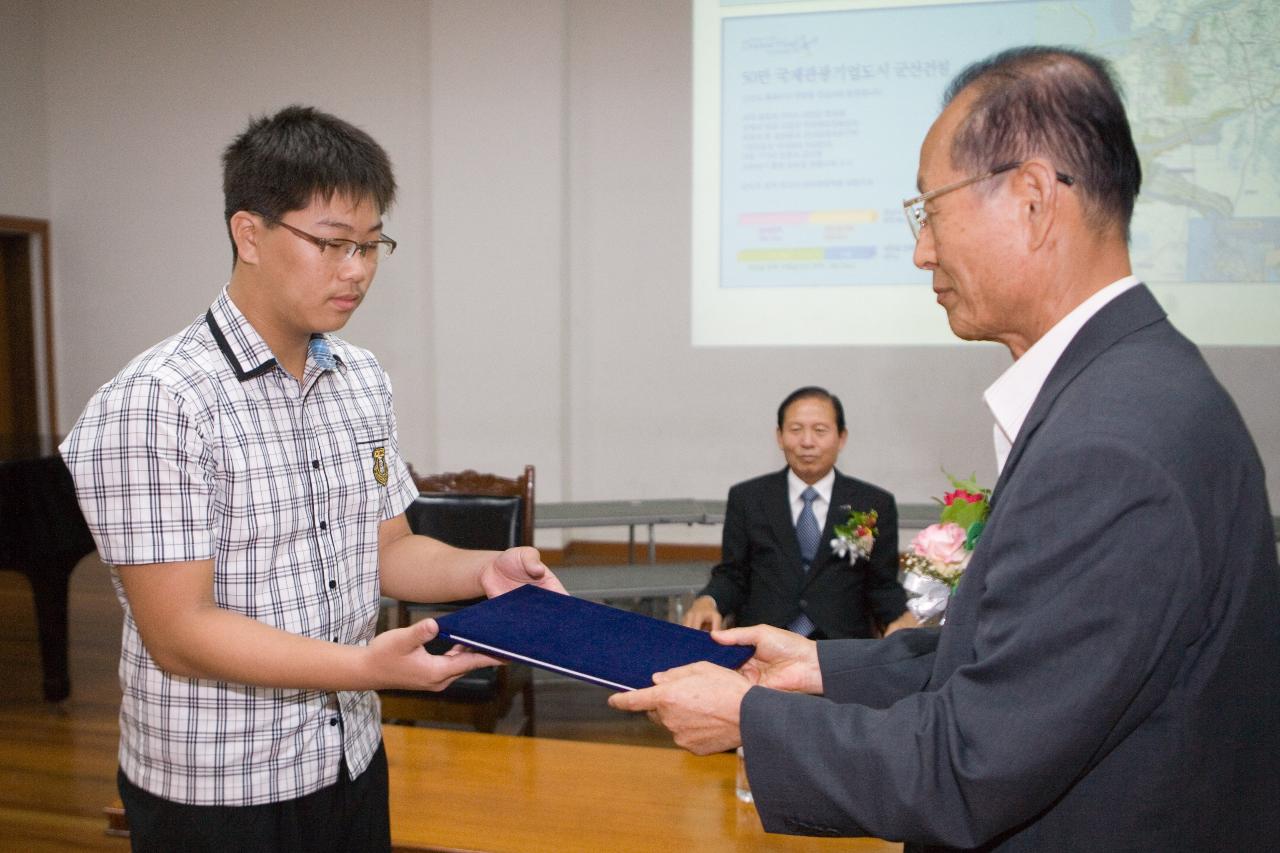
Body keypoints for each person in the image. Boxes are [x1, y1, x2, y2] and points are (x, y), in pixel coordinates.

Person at [611, 46, 1280, 852]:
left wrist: (751, 718)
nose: (922, 249)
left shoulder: (1110, 446)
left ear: (1033, 199)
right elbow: (1023, 660)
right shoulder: (1132, 384)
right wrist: (826, 669)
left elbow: (973, 762)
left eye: (930, 209)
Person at [60, 105, 563, 852]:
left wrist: (484, 569)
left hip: (348, 756)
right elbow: (181, 634)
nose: (356, 270)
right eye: (331, 244)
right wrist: (367, 665)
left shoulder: (358, 376)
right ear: (249, 233)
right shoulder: (157, 401)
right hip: (220, 786)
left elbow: (388, 546)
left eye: (371, 245)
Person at [683, 386, 915, 639]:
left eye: (820, 431)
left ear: (842, 437)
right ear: (780, 437)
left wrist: (899, 615)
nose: (807, 442)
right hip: (763, 641)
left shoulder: (872, 503)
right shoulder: (748, 498)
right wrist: (709, 600)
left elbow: (882, 584)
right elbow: (732, 574)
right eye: (795, 430)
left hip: (841, 648)